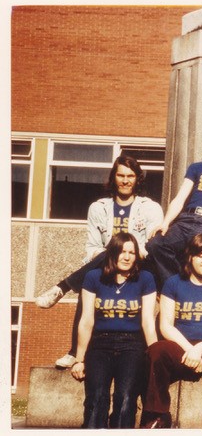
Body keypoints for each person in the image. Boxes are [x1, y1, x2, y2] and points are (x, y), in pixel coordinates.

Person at [36, 155, 163, 368]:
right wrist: (109, 255)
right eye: (120, 175)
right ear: (113, 177)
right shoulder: (98, 207)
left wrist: (119, 251)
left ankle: (62, 287)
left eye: (130, 176)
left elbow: (152, 247)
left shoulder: (150, 208)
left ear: (137, 179)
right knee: (90, 279)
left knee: (115, 248)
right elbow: (92, 247)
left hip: (139, 264)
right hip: (107, 265)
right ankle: (75, 352)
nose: (125, 180)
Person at [142, 233, 202, 429]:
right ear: (190, 257)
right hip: (181, 347)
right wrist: (190, 350)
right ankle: (158, 415)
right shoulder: (173, 283)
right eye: (201, 255)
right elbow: (166, 326)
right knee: (156, 350)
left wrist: (201, 349)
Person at [70, 232, 158, 428]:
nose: (127, 257)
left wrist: (154, 357)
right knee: (96, 397)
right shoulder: (94, 277)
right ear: (112, 253)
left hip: (132, 345)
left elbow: (148, 322)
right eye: (121, 251)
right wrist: (79, 359)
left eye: (131, 252)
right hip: (100, 344)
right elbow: (86, 321)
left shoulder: (145, 279)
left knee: (126, 398)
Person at [146, 121, 202, 287]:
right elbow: (180, 198)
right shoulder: (197, 168)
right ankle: (179, 285)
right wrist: (165, 223)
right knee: (155, 244)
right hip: (186, 219)